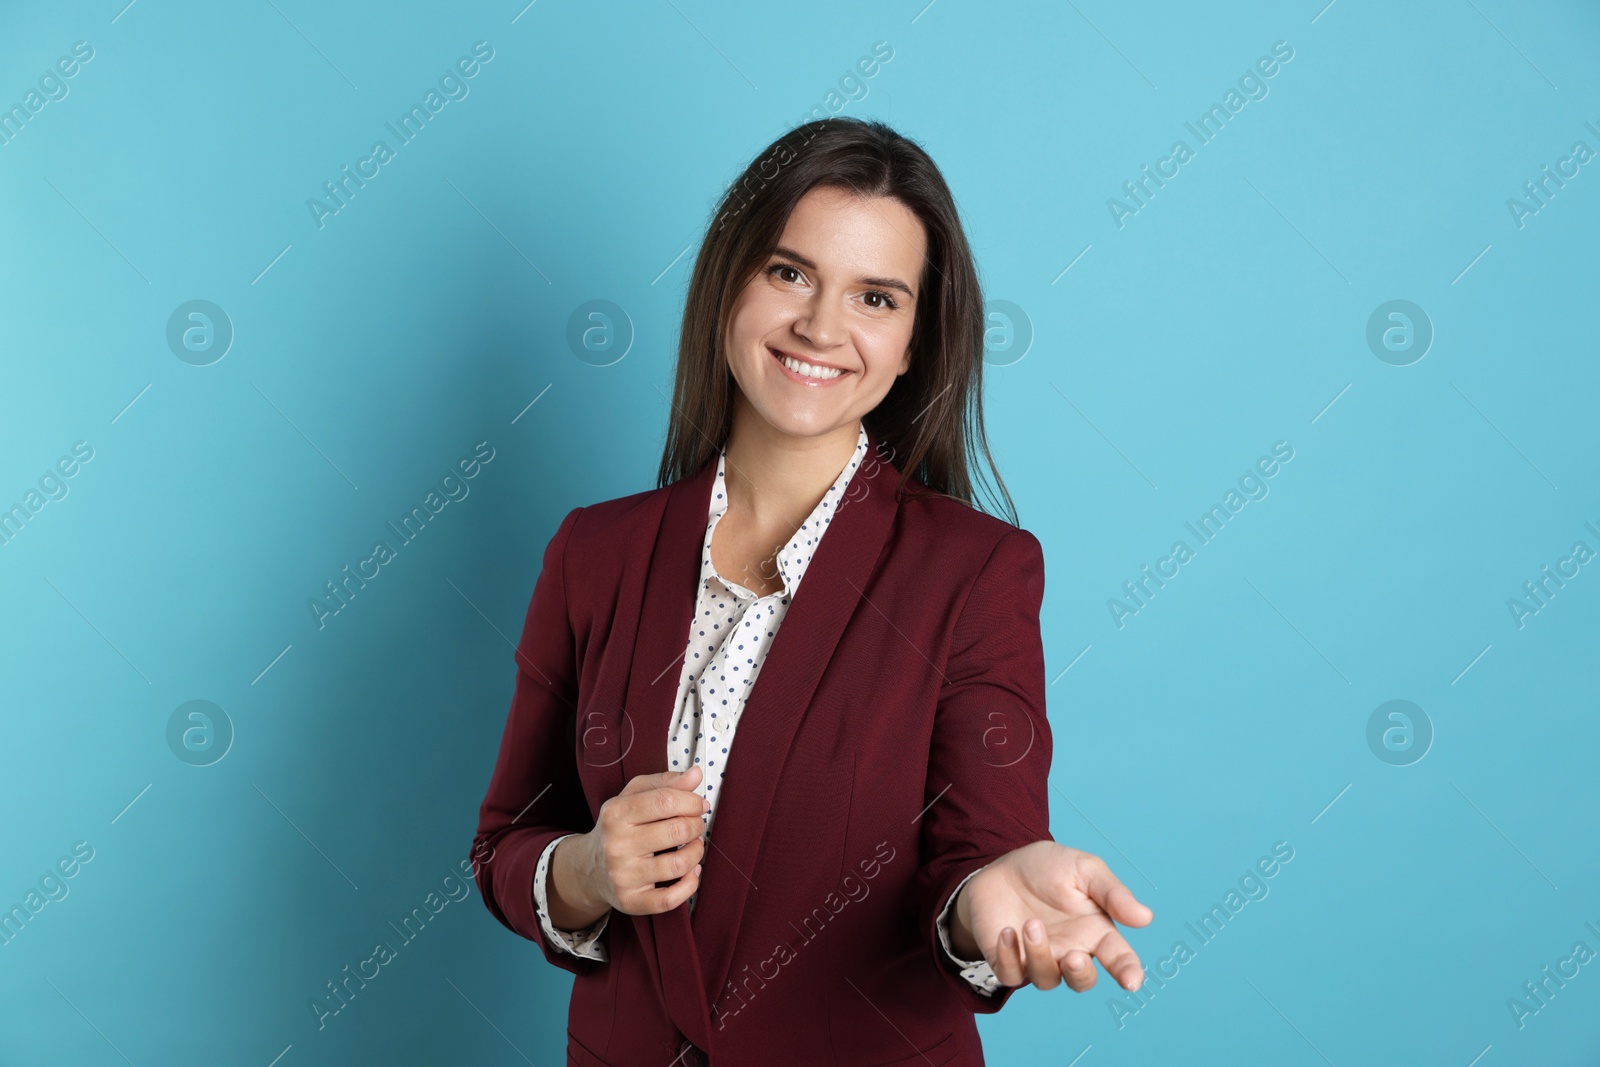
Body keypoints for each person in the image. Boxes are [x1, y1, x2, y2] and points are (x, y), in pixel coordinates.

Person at [472, 116, 1153, 1067]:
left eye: (876, 297)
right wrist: (584, 870)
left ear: (917, 341)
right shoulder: (594, 552)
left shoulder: (977, 570)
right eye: (789, 273)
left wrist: (988, 902)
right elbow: (506, 841)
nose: (821, 327)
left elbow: (980, 847)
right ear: (728, 284)